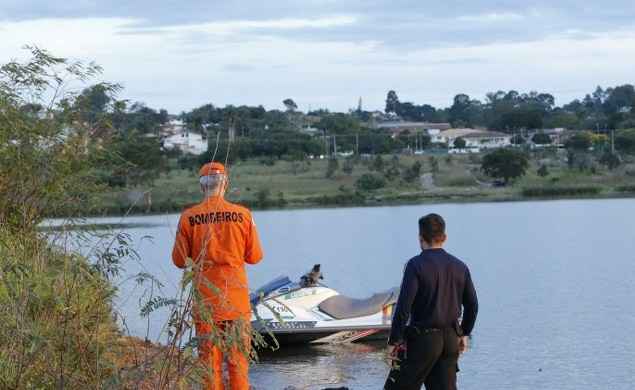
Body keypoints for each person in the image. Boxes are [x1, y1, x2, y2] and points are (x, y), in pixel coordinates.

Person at [172, 161, 263, 390]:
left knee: (209, 363)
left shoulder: (188, 217)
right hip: (236, 301)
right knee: (238, 361)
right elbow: (255, 257)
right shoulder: (243, 214)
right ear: (226, 184)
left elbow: (179, 261)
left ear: (202, 187)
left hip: (206, 303)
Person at [384, 213, 478, 390]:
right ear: (445, 237)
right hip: (450, 340)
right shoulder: (460, 266)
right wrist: (464, 333)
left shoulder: (415, 265)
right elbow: (473, 305)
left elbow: (404, 308)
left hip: (422, 341)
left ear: (421, 238)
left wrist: (393, 341)